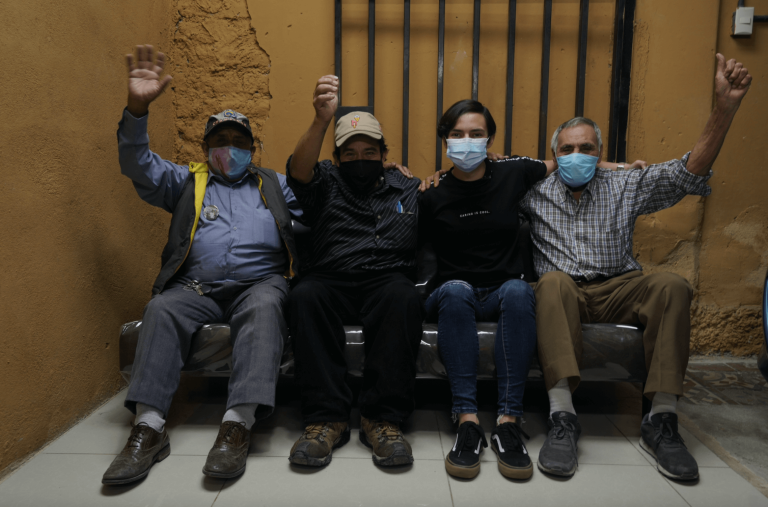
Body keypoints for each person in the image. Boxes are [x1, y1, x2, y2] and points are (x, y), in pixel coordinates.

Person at [519, 54, 752, 481]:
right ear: (553, 155)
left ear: (600, 153)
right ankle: (562, 417)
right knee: (550, 282)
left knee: (671, 286)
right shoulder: (533, 189)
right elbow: (486, 177)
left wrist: (724, 110)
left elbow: (687, 173)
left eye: (587, 149)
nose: (576, 156)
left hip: (620, 287)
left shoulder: (624, 183)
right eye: (567, 149)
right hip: (563, 291)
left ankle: (660, 419)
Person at [102, 45, 303, 485]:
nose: (230, 149)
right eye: (220, 141)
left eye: (239, 142)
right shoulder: (187, 180)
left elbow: (318, 209)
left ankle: (237, 425)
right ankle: (148, 428)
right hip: (195, 286)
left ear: (253, 148)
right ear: (205, 147)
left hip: (260, 284)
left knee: (265, 306)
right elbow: (136, 163)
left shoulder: (274, 184)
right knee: (161, 308)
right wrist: (138, 108)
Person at [285, 75, 423, 468]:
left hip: (386, 277)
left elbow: (454, 186)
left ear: (384, 153)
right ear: (337, 156)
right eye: (350, 153)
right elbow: (298, 170)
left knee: (404, 297)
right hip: (331, 276)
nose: (359, 159)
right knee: (304, 296)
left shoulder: (407, 186)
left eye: (369, 152)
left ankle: (382, 420)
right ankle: (325, 419)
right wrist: (320, 120)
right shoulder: (324, 180)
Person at [420, 99, 555, 480]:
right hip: (451, 292)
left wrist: (620, 168)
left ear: (490, 139)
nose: (467, 141)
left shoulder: (512, 172)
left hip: (501, 290)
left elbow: (568, 161)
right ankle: (467, 421)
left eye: (476, 134)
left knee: (519, 290)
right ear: (445, 140)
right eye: (458, 134)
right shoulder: (432, 192)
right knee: (456, 290)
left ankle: (508, 421)